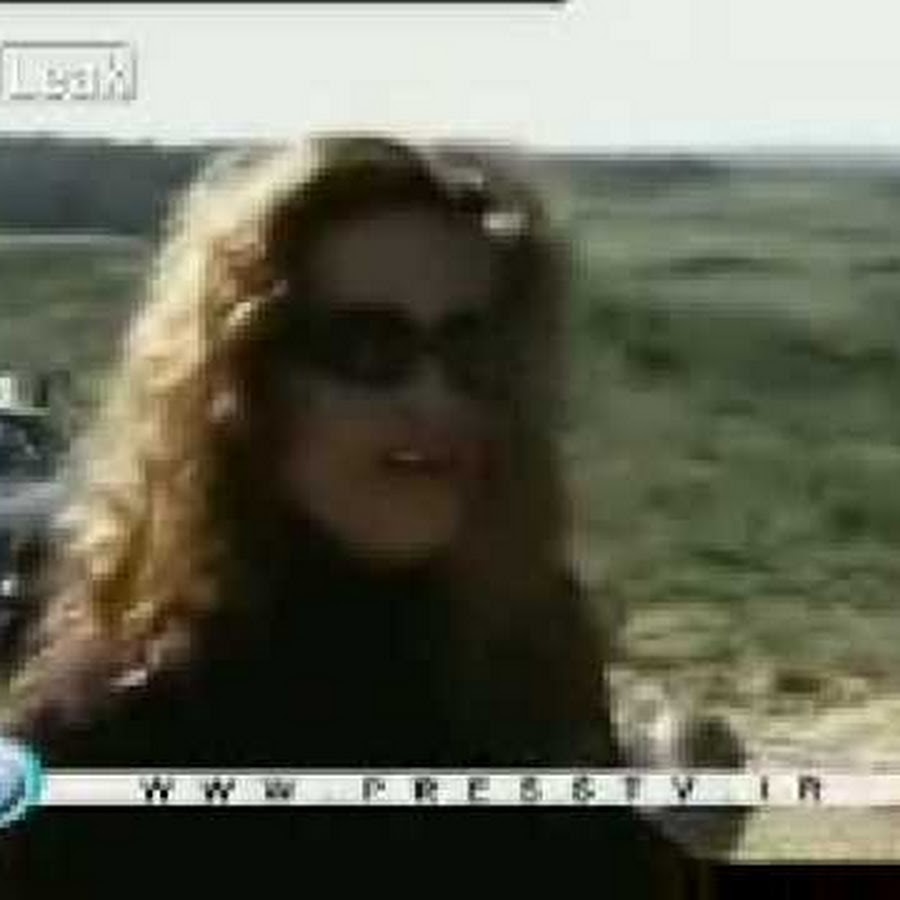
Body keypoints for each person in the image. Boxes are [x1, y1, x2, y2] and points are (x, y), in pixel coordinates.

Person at [0, 134, 712, 894]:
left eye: (472, 353)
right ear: (247, 387)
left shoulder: (526, 642)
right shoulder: (124, 729)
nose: (435, 400)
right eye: (368, 349)